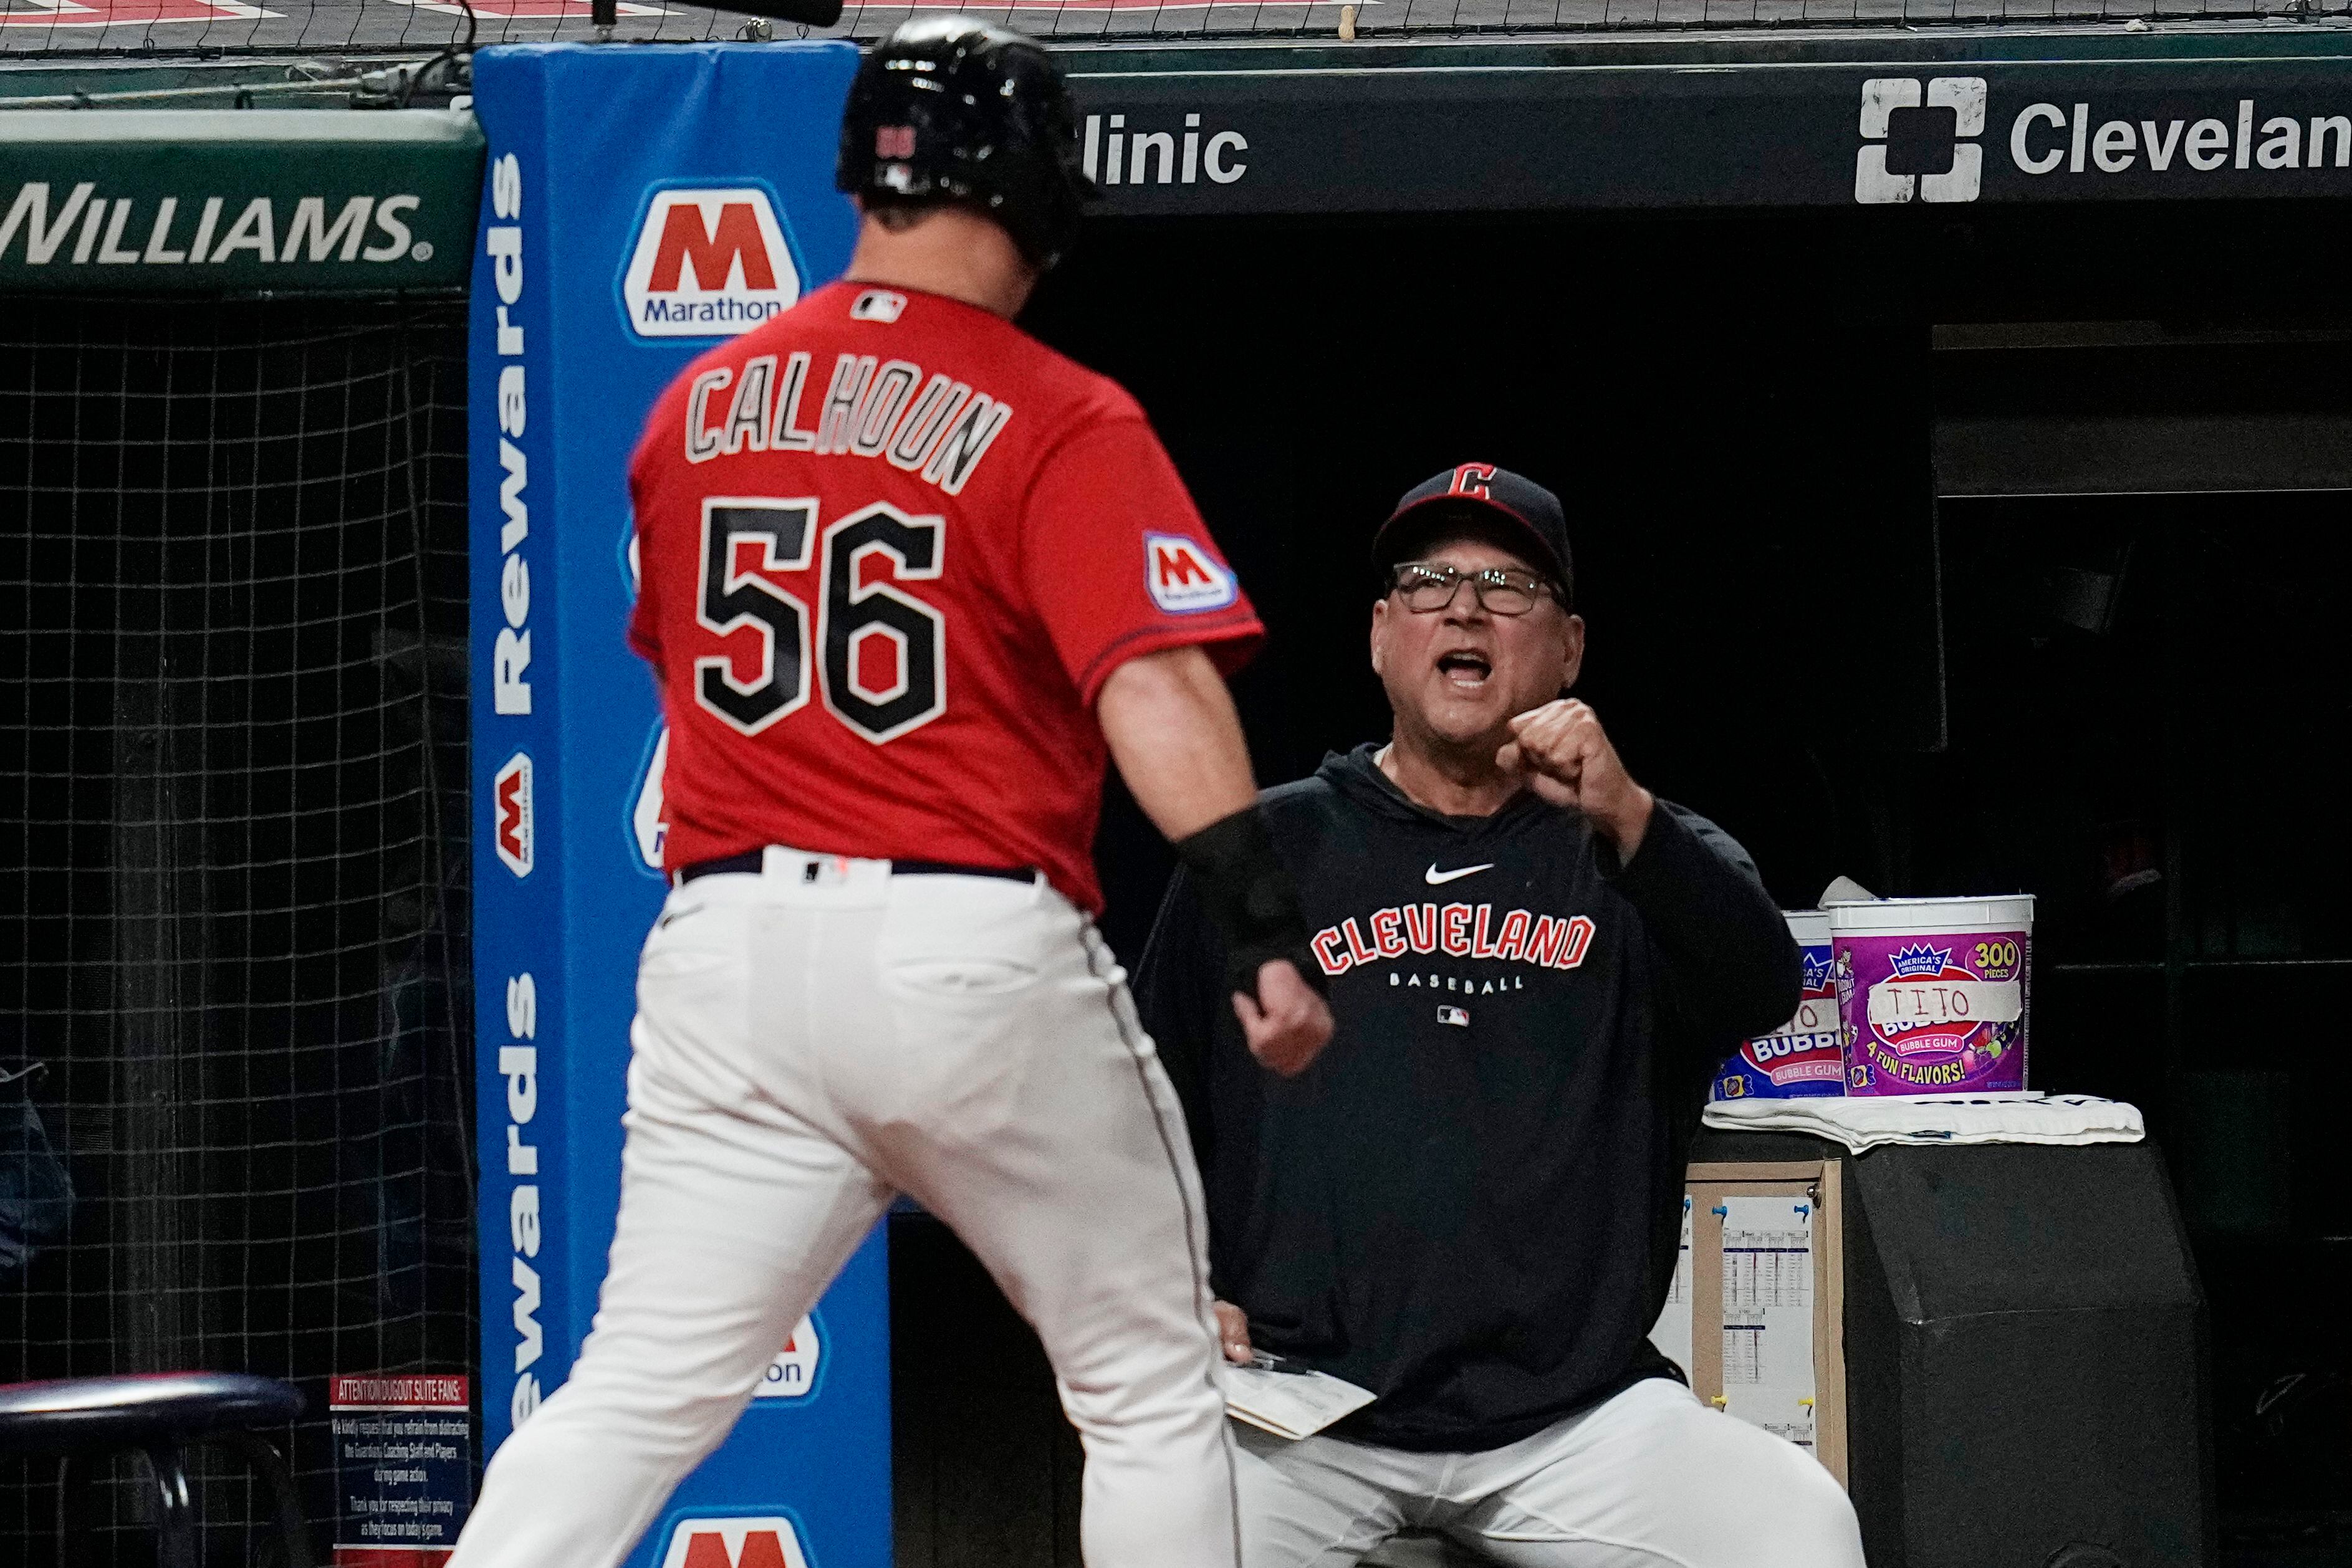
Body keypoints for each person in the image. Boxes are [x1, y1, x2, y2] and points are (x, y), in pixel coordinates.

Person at [448, 21, 1333, 1568]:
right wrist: (1261, 922)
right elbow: (1154, 683)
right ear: (1041, 196)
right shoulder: (1061, 411)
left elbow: (682, 657)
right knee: (1147, 1383)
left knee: (638, 1390)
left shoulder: (693, 410)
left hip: (727, 952)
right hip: (963, 936)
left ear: (865, 174)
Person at [1133, 464, 1866, 1568]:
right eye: (1428, 583)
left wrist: (1627, 816)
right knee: (1156, 1527)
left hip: (1576, 1419)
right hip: (1301, 1410)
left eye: (1507, 586)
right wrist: (1174, 1286)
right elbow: (1140, 1097)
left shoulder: (1641, 853)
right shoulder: (1262, 851)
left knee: (1795, 1530)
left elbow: (1763, 987)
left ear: (1568, 648)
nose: (1464, 607)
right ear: (1381, 636)